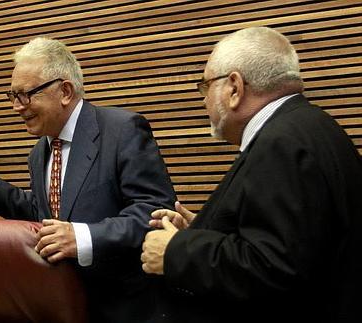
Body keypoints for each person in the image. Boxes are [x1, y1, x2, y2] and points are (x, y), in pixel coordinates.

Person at [141, 26, 362, 322]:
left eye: (205, 86)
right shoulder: (311, 126)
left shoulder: (281, 144)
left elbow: (274, 266)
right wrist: (206, 229)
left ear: (234, 88)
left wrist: (176, 251)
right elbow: (295, 236)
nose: (203, 100)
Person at [0, 37, 176, 322]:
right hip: (61, 306)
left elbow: (154, 212)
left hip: (125, 309)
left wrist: (82, 237)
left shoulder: (122, 131)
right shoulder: (39, 151)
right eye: (13, 96)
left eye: (25, 94)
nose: (17, 107)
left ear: (65, 91)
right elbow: (47, 214)